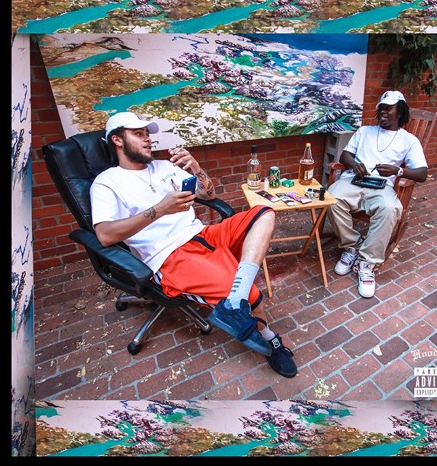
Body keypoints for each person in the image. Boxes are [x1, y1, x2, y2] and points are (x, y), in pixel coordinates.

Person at [90, 111, 297, 378]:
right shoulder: (107, 182)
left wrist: (197, 169)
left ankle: (234, 301)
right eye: (138, 134)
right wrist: (160, 209)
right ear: (117, 140)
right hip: (169, 255)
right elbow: (105, 235)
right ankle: (270, 341)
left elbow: (209, 195)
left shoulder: (164, 167)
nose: (147, 139)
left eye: (147, 134)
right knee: (253, 297)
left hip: (202, 234)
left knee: (264, 212)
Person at [327, 90, 428, 298]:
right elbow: (345, 155)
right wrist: (354, 165)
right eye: (381, 108)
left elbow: (422, 173)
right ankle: (352, 247)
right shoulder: (364, 131)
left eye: (388, 108)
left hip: (382, 187)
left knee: (390, 208)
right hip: (354, 181)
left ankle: (367, 263)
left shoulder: (409, 141)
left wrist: (397, 170)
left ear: (400, 111)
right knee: (331, 198)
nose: (382, 112)